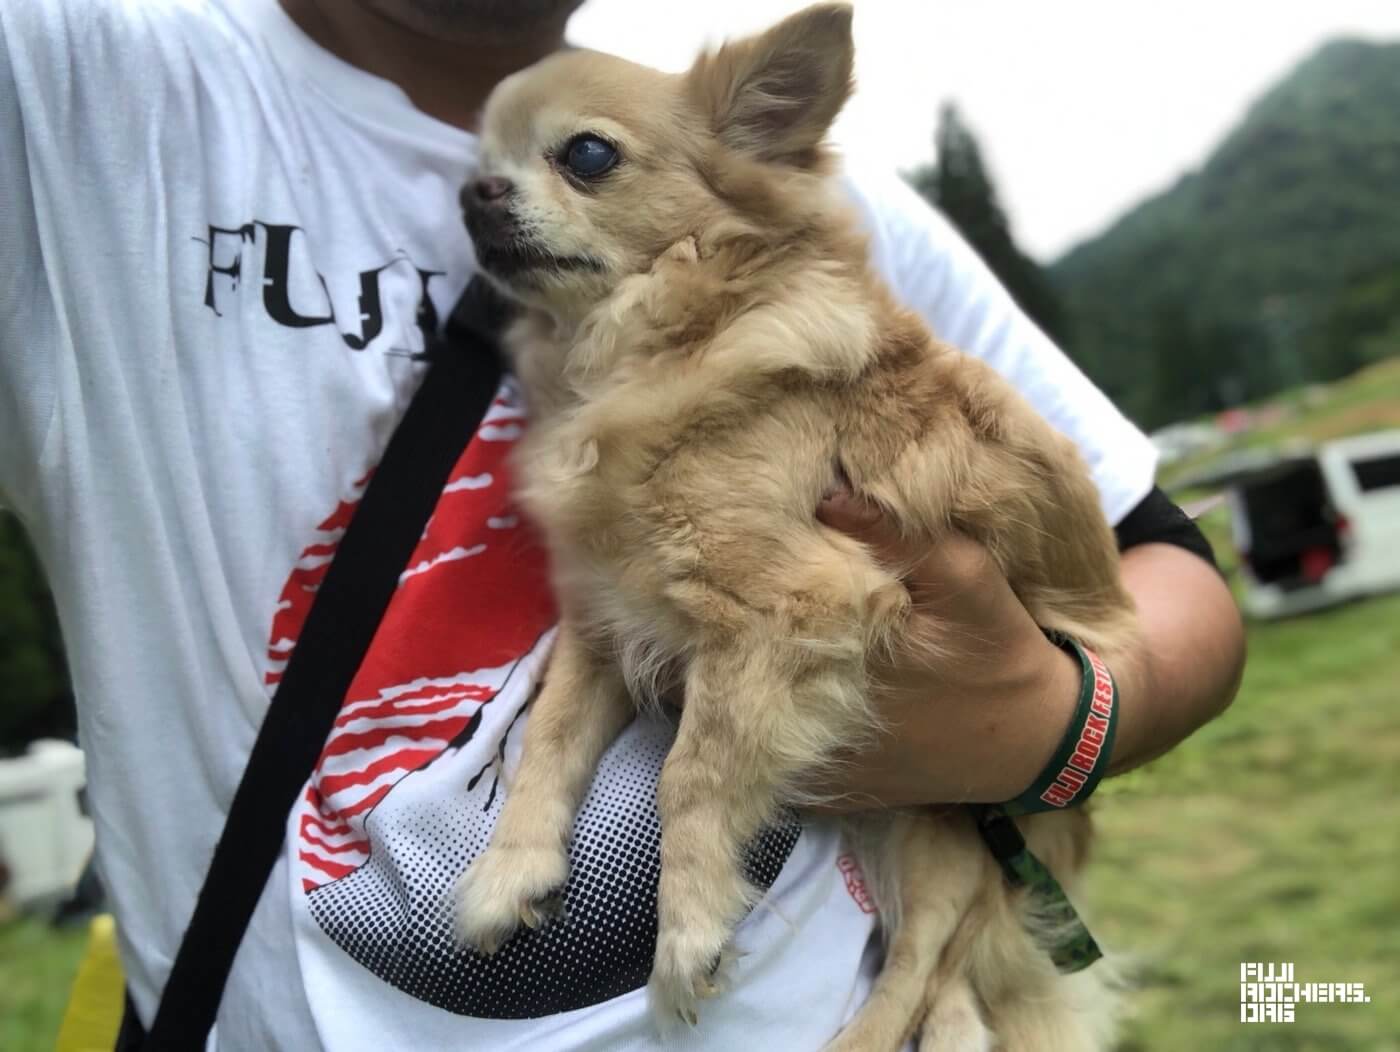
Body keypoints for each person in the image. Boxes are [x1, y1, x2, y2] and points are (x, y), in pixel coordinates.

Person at [0, 1, 1245, 1048]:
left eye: (584, 160)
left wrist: (1051, 721)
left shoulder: (796, 211)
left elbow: (1166, 570)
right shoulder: (76, 95)